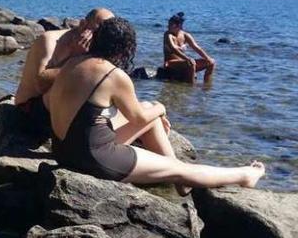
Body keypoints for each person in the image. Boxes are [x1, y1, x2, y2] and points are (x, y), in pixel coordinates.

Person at [46, 17, 264, 193]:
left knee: (147, 107)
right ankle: (245, 175)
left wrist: (152, 110)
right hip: (93, 159)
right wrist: (160, 107)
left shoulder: (74, 62)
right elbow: (139, 118)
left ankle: (179, 178)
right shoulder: (113, 74)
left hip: (64, 151)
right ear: (125, 49)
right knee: (179, 164)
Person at [13, 8, 114, 136]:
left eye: (106, 33)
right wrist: (75, 57)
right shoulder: (50, 40)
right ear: (83, 24)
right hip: (29, 108)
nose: (101, 37)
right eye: (97, 31)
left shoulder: (97, 45)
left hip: (58, 111)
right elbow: (41, 86)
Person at [163, 12, 216, 84]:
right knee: (191, 63)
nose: (168, 26)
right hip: (171, 63)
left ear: (179, 26)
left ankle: (206, 87)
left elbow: (196, 47)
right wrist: (187, 58)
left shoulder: (185, 35)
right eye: (168, 24)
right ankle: (191, 86)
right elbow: (173, 49)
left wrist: (207, 58)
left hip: (184, 63)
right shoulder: (168, 35)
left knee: (211, 62)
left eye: (171, 25)